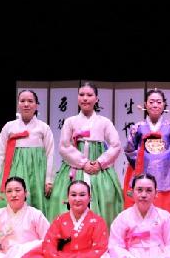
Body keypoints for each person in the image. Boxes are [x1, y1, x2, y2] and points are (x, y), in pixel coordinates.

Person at [46, 82, 123, 226]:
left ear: (96, 99)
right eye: (81, 95)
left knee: (107, 197)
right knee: (58, 197)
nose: (85, 98)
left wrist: (99, 163)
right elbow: (64, 146)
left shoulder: (104, 122)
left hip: (98, 168)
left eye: (89, 95)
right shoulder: (70, 121)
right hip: (74, 167)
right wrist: (83, 163)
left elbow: (116, 145)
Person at [123, 88, 170, 241]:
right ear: (145, 104)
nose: (155, 105)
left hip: (167, 173)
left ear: (164, 105)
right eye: (151, 102)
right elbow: (129, 149)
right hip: (142, 171)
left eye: (159, 102)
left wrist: (164, 160)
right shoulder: (137, 127)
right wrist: (145, 159)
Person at [0, 90, 55, 219]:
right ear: (18, 104)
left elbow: (50, 154)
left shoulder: (43, 127)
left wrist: (49, 180)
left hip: (37, 173)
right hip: (14, 170)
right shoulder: (9, 127)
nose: (26, 104)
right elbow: (0, 153)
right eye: (22, 101)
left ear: (36, 105)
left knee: (36, 204)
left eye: (30, 101)